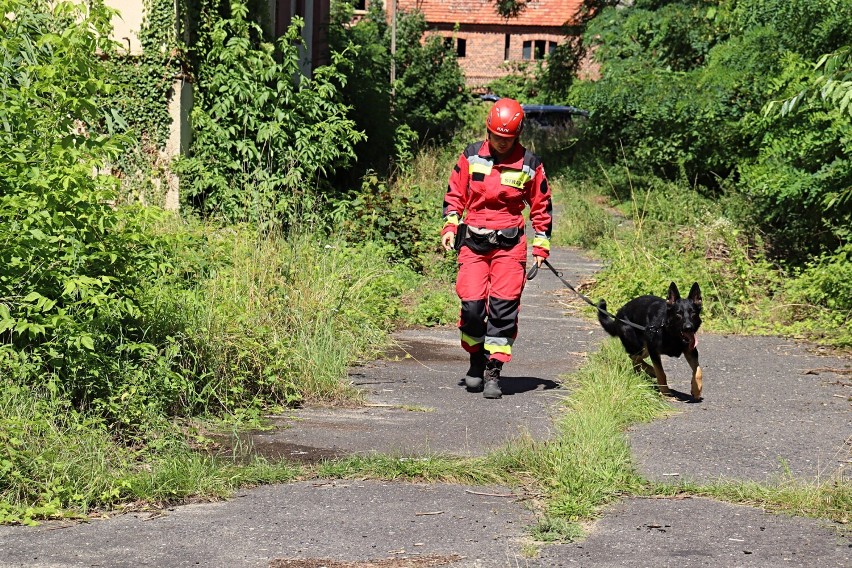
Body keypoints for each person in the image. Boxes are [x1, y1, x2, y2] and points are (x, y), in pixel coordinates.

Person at [440, 97, 553, 399]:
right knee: (473, 307)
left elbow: (541, 207)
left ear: (517, 135)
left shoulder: (530, 164)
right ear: (488, 131)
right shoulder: (471, 156)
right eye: (497, 137)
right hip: (474, 241)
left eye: (508, 139)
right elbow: (454, 195)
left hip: (509, 245)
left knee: (503, 309)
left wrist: (542, 247)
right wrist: (450, 227)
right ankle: (475, 359)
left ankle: (493, 370)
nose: (502, 144)